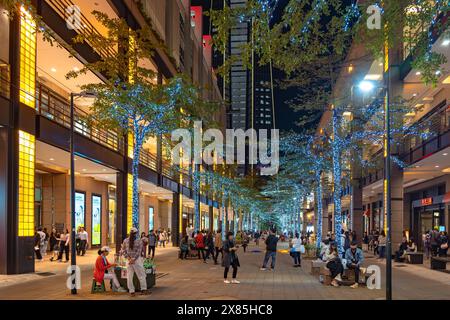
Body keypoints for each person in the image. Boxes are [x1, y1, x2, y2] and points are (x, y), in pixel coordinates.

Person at [121, 227, 150, 296]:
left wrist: (128, 258)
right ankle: (143, 290)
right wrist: (133, 259)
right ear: (136, 233)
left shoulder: (125, 240)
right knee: (141, 275)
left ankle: (131, 291)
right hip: (137, 261)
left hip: (129, 261)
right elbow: (139, 251)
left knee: (129, 276)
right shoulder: (139, 241)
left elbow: (123, 251)